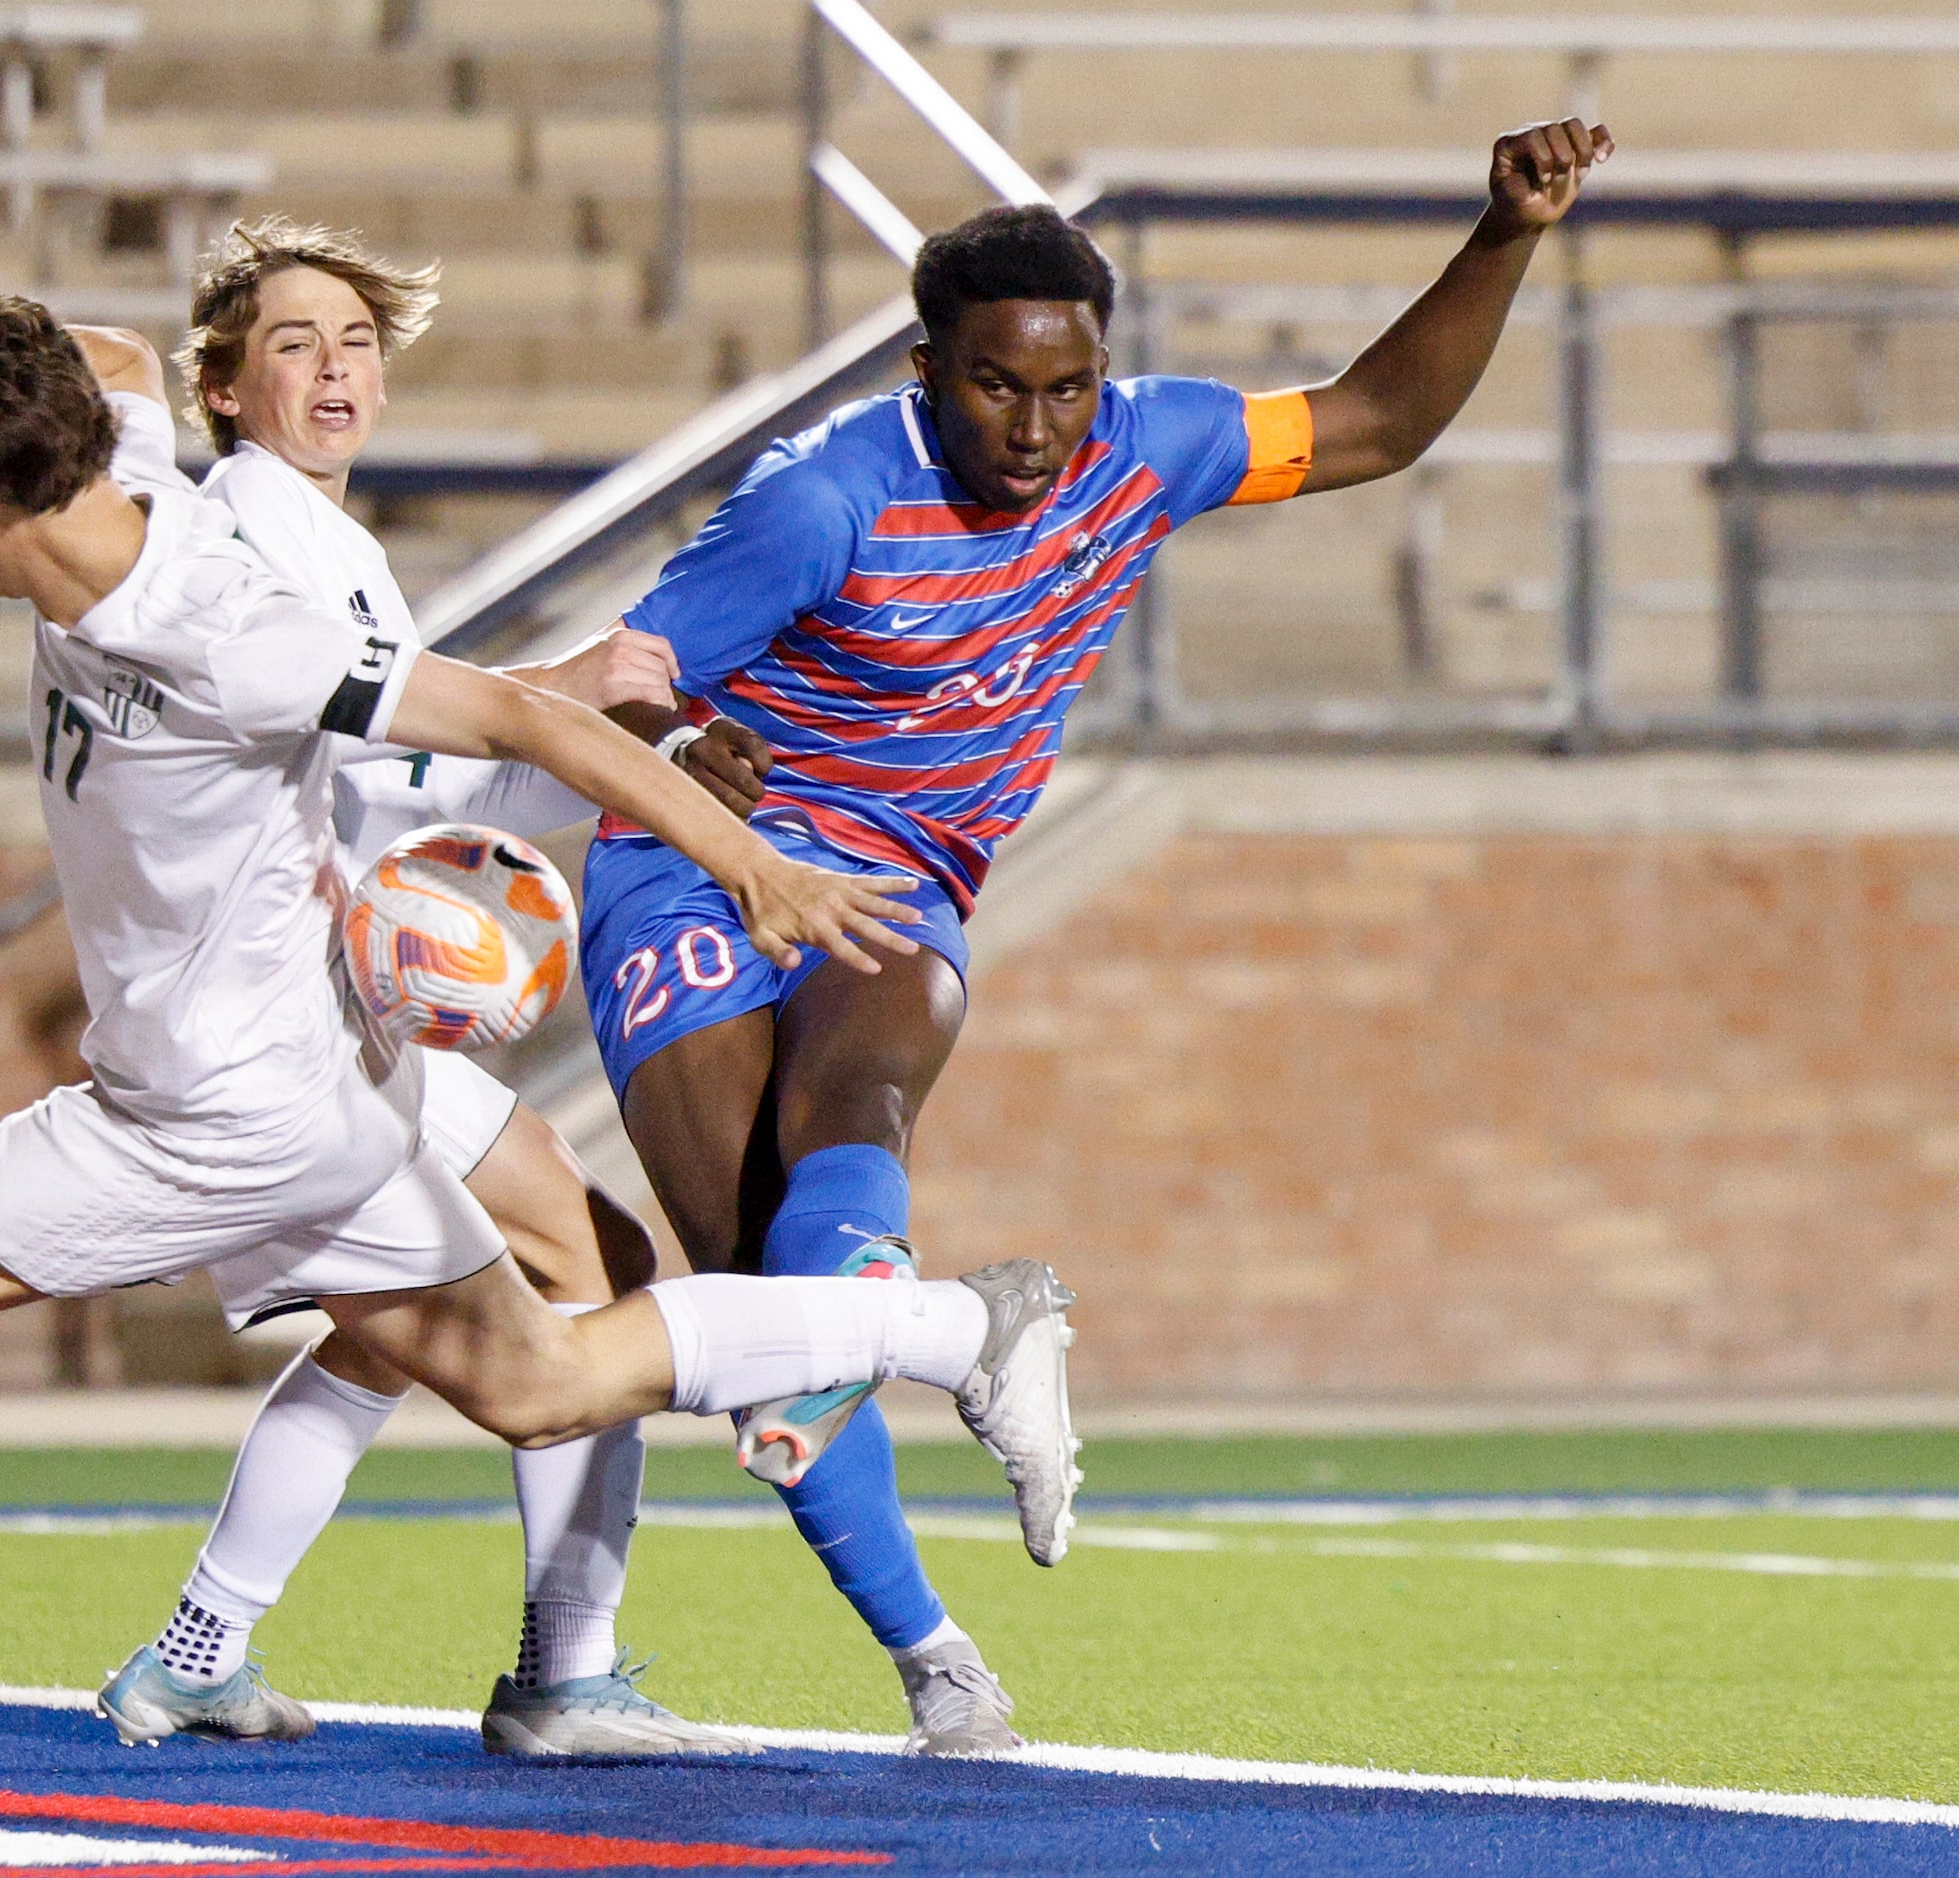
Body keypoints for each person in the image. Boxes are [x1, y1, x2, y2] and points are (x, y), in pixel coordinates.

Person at [0, 279, 1080, 1806]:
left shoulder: (222, 628)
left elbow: (517, 722)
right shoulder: (111, 455)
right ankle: (966, 1332)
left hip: (207, 1118)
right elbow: (107, 351)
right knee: (548, 1379)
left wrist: (755, 862)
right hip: (325, 1094)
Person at [590, 119, 1616, 1755]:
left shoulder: (1150, 446)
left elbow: (1379, 419)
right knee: (756, 1302)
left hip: (899, 869)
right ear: (929, 368)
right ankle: (932, 1641)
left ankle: (957, 1450)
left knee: (857, 1127)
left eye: (1069, 388)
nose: (1039, 427)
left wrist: (1504, 234)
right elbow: (624, 673)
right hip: (693, 865)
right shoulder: (824, 498)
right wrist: (672, 756)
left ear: (1105, 372)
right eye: (1000, 387)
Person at [70, 219, 739, 1757]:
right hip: (284, 1023)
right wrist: (573, 700)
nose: (334, 370)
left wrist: (592, 755)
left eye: (356, 344)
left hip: (312, 1013)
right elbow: (398, 750)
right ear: (223, 387)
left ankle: (195, 1651)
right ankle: (566, 1672)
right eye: (292, 344)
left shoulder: (321, 537)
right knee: (588, 1248)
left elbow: (423, 787)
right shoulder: (252, 528)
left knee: (393, 1330)